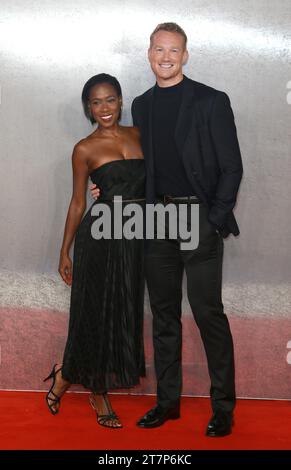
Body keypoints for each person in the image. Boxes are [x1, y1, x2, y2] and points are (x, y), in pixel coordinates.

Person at [90, 23, 243, 437]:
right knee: (163, 316)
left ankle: (223, 408)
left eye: (174, 50)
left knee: (209, 314)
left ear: (185, 55)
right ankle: (167, 403)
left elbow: (232, 167)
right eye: (159, 49)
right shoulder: (141, 105)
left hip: (200, 221)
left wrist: (212, 221)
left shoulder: (211, 101)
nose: (166, 57)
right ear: (149, 53)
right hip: (157, 222)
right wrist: (110, 183)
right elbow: (148, 167)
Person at [44, 73, 145, 428]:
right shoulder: (84, 149)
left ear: (121, 100)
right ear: (89, 107)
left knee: (122, 311)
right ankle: (98, 393)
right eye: (96, 102)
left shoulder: (140, 135)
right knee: (94, 314)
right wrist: (64, 252)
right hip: (99, 240)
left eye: (111, 99)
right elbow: (76, 204)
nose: (105, 108)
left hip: (135, 239)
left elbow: (158, 181)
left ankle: (64, 374)